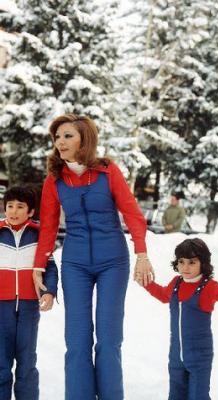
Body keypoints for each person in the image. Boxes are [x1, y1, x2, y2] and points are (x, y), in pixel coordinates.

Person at [32, 114, 154, 400]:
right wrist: (40, 263)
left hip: (113, 260)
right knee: (76, 339)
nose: (60, 142)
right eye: (57, 137)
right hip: (75, 263)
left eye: (67, 136)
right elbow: (48, 225)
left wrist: (142, 253)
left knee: (109, 339)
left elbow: (132, 212)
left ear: (84, 139)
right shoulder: (54, 180)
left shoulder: (108, 171)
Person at [139, 238, 218, 400]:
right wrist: (147, 283)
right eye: (181, 262)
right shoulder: (176, 283)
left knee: (198, 396)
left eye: (192, 262)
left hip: (199, 357)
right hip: (176, 357)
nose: (185, 267)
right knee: (176, 395)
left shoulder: (208, 287)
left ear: (203, 263)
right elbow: (163, 295)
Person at [0, 186, 58, 400]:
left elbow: (50, 267)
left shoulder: (38, 235)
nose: (14, 211)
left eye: (20, 207)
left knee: (26, 362)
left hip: (28, 307)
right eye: (10, 206)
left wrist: (49, 292)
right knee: (1, 363)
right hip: (1, 307)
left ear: (31, 211)